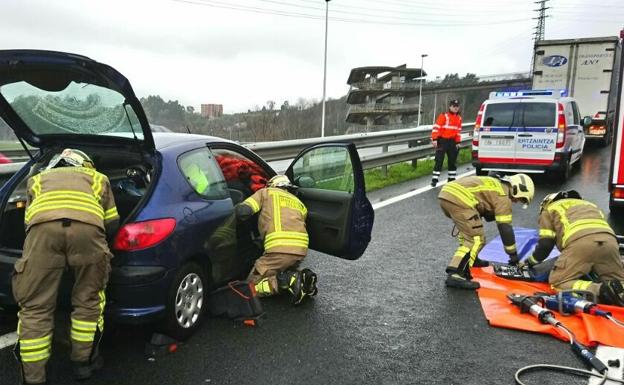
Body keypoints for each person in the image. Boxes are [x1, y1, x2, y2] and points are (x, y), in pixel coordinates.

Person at [12, 148, 119, 384]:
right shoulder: (99, 179)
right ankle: (83, 363)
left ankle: (33, 378)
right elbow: (112, 222)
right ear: (86, 164)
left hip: (43, 235)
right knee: (88, 301)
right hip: (88, 234)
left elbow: (29, 222)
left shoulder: (37, 180)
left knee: (35, 307)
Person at [522, 190, 624, 306]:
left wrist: (531, 262)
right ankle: (617, 290)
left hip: (581, 244)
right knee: (618, 281)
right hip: (610, 242)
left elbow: (546, 244)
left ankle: (601, 290)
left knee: (558, 282)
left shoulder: (550, 209)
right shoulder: (590, 206)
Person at [438, 173, 534, 289]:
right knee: (476, 239)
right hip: (460, 199)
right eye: (520, 199)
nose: (515, 202)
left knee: (469, 234)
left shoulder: (497, 185)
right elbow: (505, 228)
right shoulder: (504, 197)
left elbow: (486, 209)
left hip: (447, 195)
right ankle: (456, 274)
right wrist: (513, 255)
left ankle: (472, 260)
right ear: (517, 188)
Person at [235, 175, 317, 305]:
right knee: (281, 268)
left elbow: (244, 211)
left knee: (250, 288)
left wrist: (231, 213)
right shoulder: (299, 203)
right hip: (300, 251)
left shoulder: (266, 193)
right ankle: (302, 280)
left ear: (272, 185)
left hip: (278, 250)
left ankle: (288, 281)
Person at [431, 99, 462, 187]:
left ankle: (451, 178)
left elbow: (458, 131)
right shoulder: (444, 116)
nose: (456, 108)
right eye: (454, 106)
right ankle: (435, 179)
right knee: (439, 160)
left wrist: (458, 142)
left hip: (452, 142)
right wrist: (434, 139)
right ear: (450, 107)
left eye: (457, 106)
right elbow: (436, 128)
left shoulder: (459, 118)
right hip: (442, 141)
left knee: (452, 161)